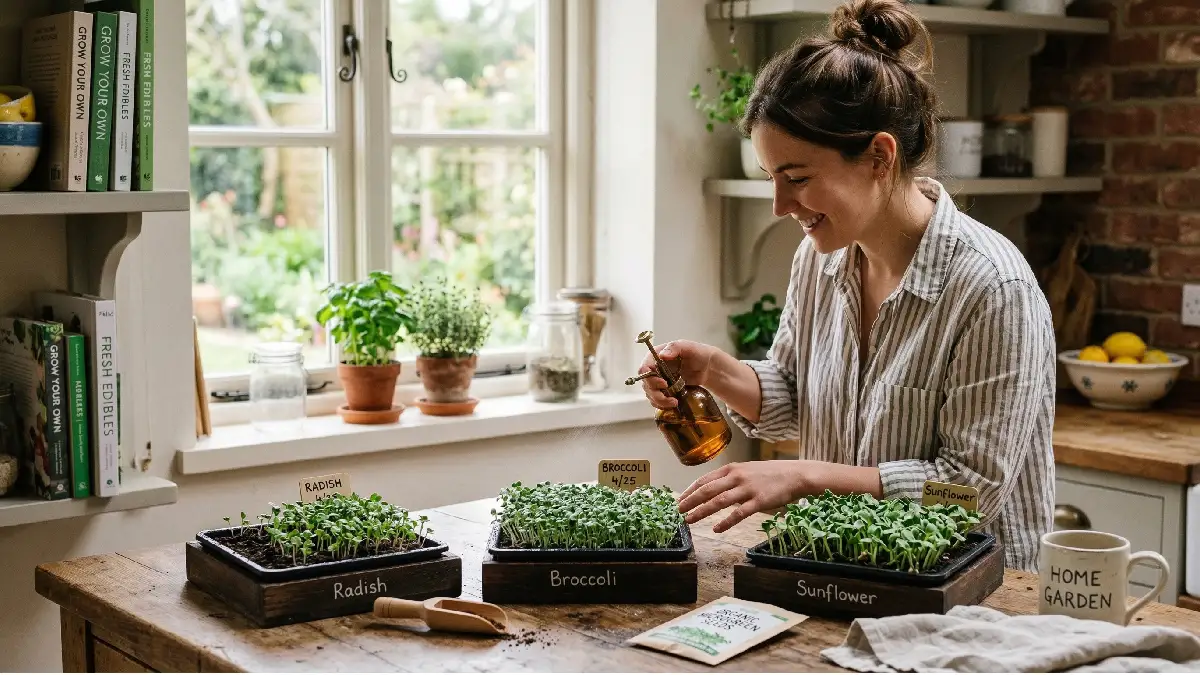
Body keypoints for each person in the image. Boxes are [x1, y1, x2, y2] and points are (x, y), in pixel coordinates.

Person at [637, 0, 1056, 571]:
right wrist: (713, 370)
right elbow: (792, 397)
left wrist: (807, 478)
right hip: (844, 574)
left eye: (799, 178)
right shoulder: (820, 259)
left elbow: (969, 494)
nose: (782, 206)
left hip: (976, 606)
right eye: (771, 179)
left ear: (879, 157)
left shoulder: (992, 289)